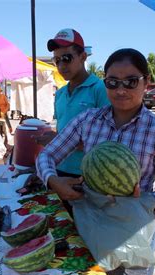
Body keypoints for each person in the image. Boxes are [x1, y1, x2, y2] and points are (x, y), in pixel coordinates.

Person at [36, 48, 155, 275]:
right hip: (91, 225)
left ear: (145, 82)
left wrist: (145, 201)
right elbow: (48, 155)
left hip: (134, 229)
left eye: (131, 81)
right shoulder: (88, 121)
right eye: (112, 82)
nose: (121, 89)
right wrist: (53, 181)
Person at [35, 28, 109, 216]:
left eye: (66, 58)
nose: (61, 65)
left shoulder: (100, 89)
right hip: (58, 172)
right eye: (56, 60)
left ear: (83, 57)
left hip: (87, 177)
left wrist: (58, 139)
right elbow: (61, 129)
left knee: (85, 234)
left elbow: (109, 143)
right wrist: (49, 137)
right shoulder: (59, 93)